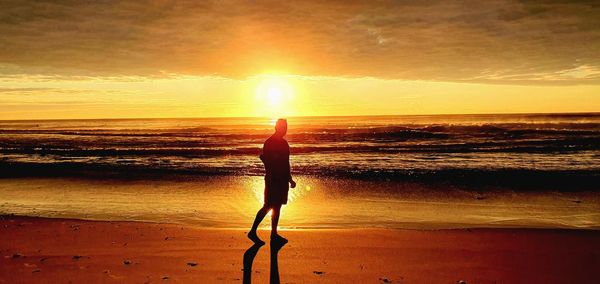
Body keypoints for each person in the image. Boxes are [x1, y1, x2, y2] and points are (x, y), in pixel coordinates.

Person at [248, 118, 296, 244]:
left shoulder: (284, 144)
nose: (285, 129)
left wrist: (290, 179)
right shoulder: (269, 142)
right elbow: (267, 162)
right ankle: (253, 231)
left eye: (286, 127)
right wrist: (270, 170)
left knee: (278, 206)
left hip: (282, 179)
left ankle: (273, 234)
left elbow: (286, 163)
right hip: (272, 178)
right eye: (282, 127)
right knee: (268, 205)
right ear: (277, 127)